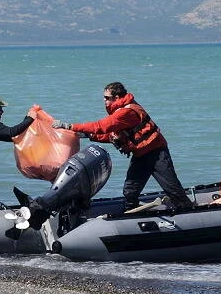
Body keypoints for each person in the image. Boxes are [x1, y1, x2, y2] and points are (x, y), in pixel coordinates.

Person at [52, 82, 194, 212]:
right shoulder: (119, 113)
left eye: (107, 97)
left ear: (117, 97)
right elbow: (112, 135)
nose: (104, 100)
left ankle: (187, 211)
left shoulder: (127, 112)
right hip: (140, 155)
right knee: (130, 190)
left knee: (172, 188)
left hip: (156, 153)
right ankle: (131, 214)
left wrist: (69, 126)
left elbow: (102, 126)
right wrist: (87, 136)